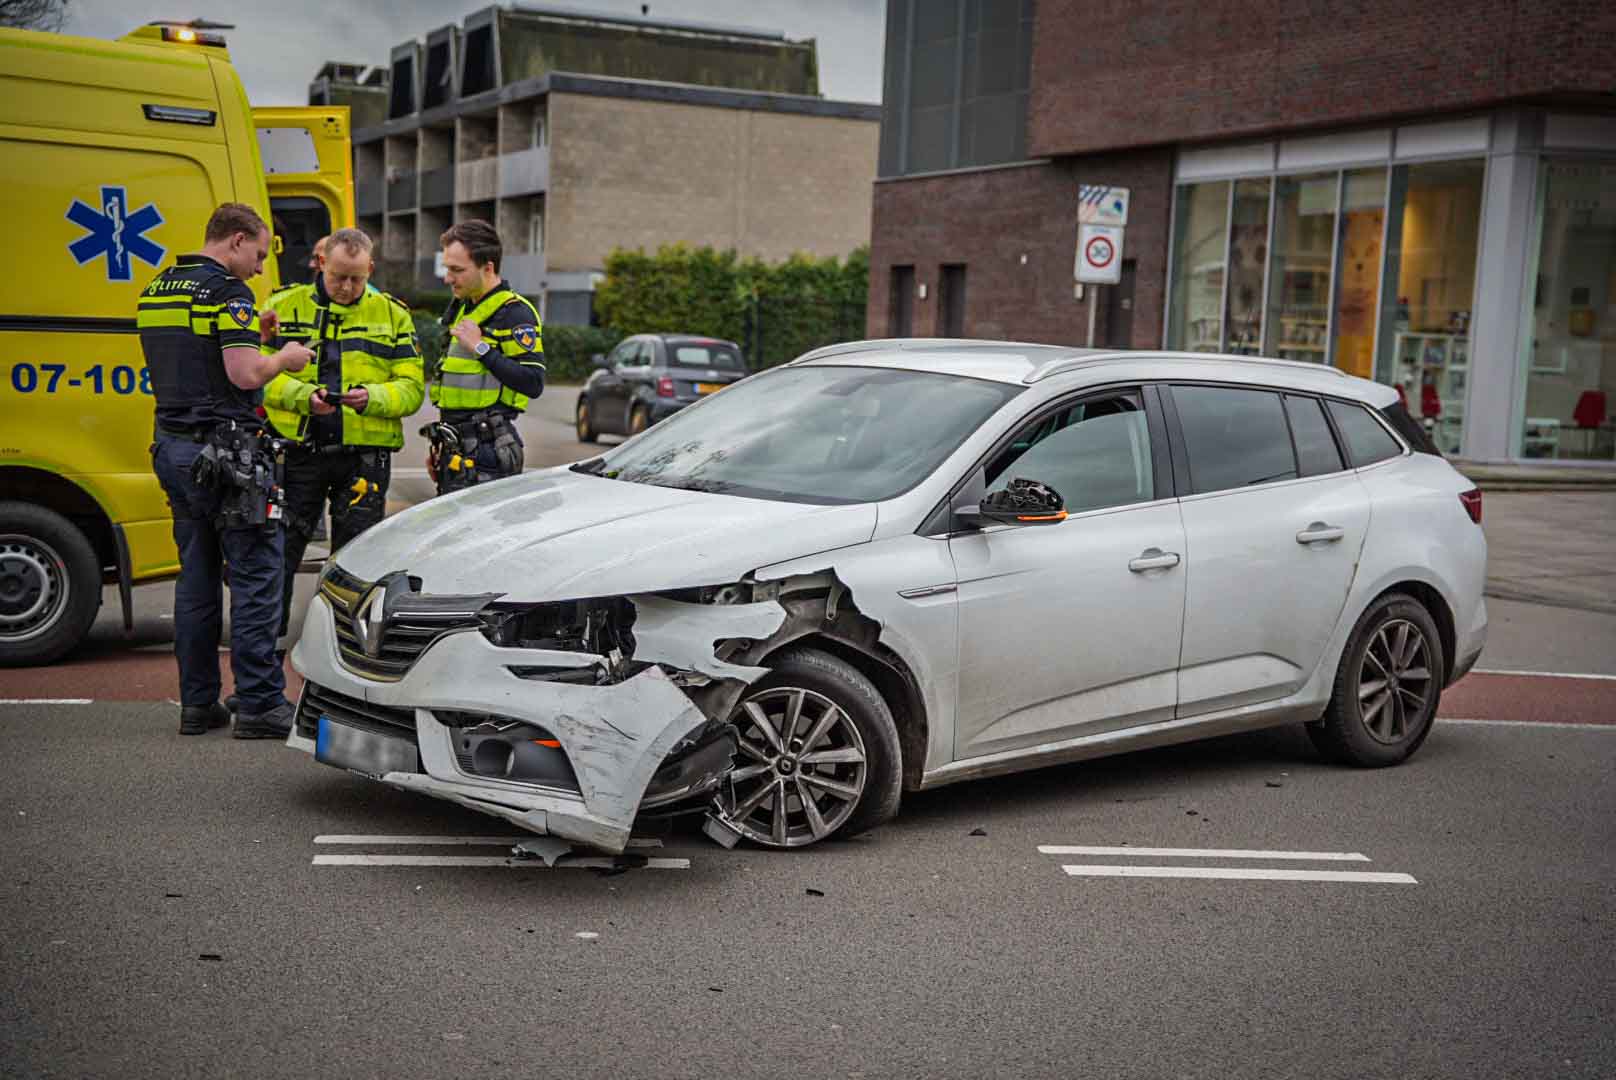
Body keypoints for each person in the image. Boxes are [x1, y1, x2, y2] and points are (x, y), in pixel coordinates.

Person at [138, 203, 314, 738]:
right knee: (258, 577)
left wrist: (251, 335)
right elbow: (242, 375)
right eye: (259, 254)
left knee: (195, 580)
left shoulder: (158, 288)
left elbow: (198, 358)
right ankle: (260, 704)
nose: (260, 268)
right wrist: (283, 357)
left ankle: (198, 704)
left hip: (174, 448)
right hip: (229, 457)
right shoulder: (226, 292)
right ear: (236, 240)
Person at [261, 228, 424, 640]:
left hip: (364, 457)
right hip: (300, 453)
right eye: (338, 277)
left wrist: (371, 397)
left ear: (370, 268)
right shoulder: (282, 307)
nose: (347, 287)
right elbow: (256, 377)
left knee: (357, 562)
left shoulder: (393, 315)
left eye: (357, 278)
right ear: (321, 264)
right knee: (280, 555)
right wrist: (304, 397)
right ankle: (270, 651)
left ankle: (342, 649)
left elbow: (411, 387)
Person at [423, 220, 545, 494]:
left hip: (489, 452)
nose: (447, 278)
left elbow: (533, 382)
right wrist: (441, 446)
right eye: (447, 268)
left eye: (457, 270)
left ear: (487, 268)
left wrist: (481, 348)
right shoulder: (464, 307)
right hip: (457, 448)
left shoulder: (514, 313)